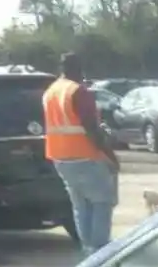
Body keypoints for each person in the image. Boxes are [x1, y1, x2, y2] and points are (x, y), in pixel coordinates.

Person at [43, 54, 119, 256]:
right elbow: (91, 128)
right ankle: (99, 254)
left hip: (60, 157)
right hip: (85, 155)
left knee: (81, 205)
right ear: (79, 68)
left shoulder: (51, 91)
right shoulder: (78, 91)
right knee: (102, 202)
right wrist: (110, 155)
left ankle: (87, 251)